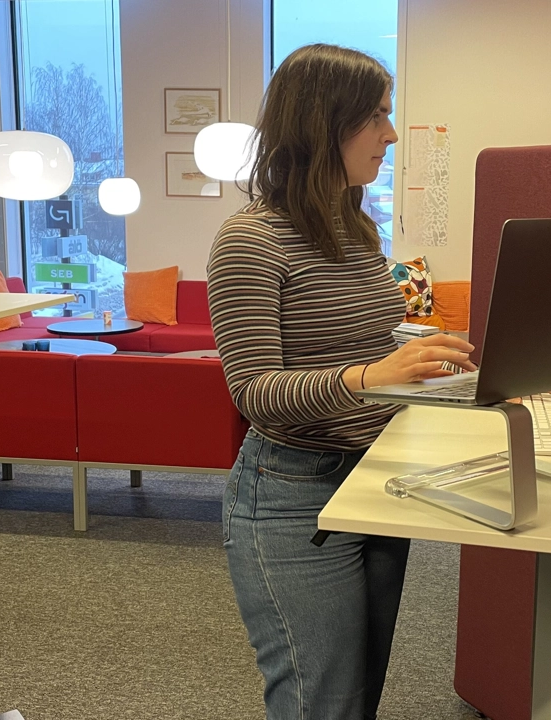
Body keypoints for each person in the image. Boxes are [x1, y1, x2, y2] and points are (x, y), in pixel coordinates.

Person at [206, 44, 477, 720]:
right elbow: (254, 390)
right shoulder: (249, 240)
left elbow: (360, 336)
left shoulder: (354, 227)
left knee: (359, 696)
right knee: (319, 701)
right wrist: (371, 376)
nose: (389, 134)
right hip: (293, 489)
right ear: (325, 124)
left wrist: (418, 352)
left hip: (376, 476)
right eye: (377, 117)